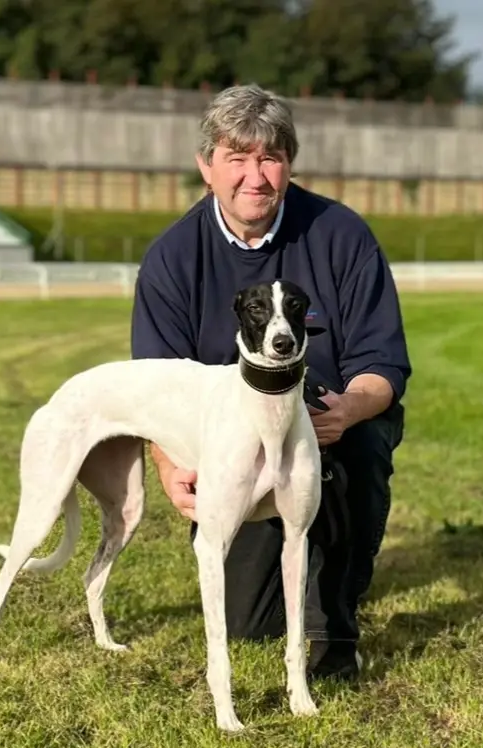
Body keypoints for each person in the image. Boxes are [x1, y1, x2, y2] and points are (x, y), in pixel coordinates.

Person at [129, 83, 411, 680]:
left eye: (270, 158)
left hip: (331, 429)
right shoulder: (172, 258)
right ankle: (294, 581)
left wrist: (350, 408)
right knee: (250, 623)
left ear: (289, 163)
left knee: (362, 443)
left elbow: (384, 364)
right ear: (206, 166)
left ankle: (334, 624)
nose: (254, 177)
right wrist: (169, 465)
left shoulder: (342, 235)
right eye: (237, 158)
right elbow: (156, 389)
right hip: (233, 445)